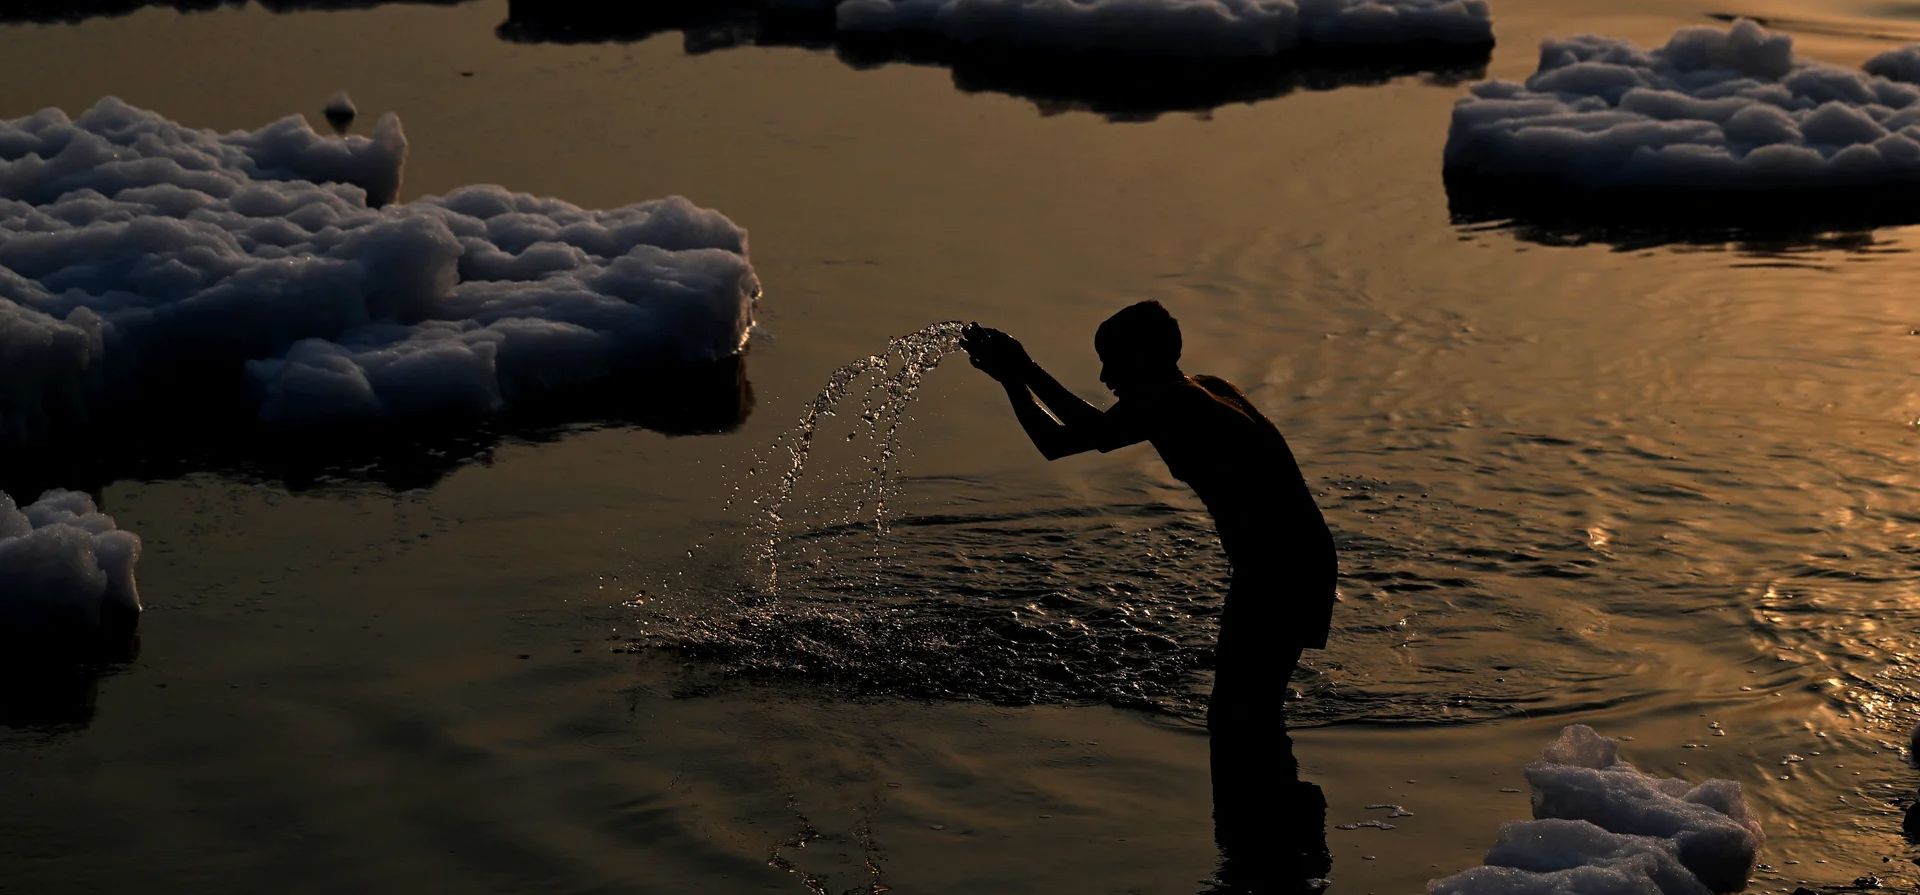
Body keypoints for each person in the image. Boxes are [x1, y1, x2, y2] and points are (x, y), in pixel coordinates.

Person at [959, 302, 1336, 735]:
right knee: (1249, 709)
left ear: (1141, 358)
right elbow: (1082, 434)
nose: (1105, 379)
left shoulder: (1176, 402)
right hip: (1299, 560)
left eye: (1111, 363)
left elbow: (1061, 441)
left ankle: (1263, 797)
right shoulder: (1201, 389)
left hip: (1280, 571)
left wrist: (1017, 374)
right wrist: (1020, 373)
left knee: (1238, 714)